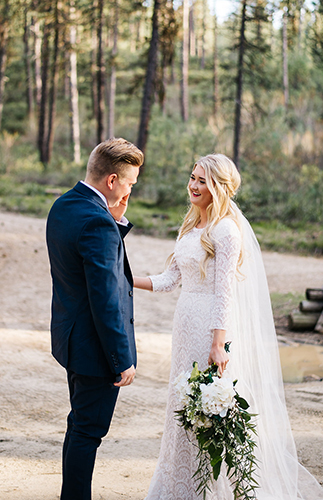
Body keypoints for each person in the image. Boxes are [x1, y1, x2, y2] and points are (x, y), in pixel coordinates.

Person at [134, 153, 323, 499]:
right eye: (192, 177)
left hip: (210, 327)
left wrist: (218, 343)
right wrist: (128, 278)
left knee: (206, 408)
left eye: (203, 180)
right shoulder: (192, 225)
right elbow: (170, 279)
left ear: (219, 186)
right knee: (183, 405)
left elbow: (224, 293)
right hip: (185, 322)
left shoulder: (226, 231)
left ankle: (211, 490)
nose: (193, 185)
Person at [46, 137, 144, 500]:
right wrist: (122, 359)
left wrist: (114, 218)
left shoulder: (63, 206)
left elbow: (82, 262)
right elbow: (105, 300)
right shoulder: (98, 223)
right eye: (130, 183)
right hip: (95, 349)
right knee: (88, 432)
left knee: (79, 426)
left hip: (71, 340)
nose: (130, 190)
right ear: (112, 181)